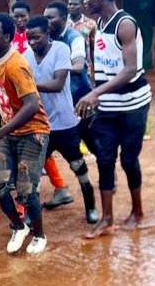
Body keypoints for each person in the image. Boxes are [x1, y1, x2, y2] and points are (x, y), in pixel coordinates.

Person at [77, 0, 152, 239]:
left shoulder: (125, 24)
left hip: (133, 103)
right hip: (108, 105)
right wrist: (96, 94)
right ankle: (107, 219)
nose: (85, 1)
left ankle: (138, 212)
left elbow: (130, 70)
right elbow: (102, 63)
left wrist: (94, 92)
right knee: (105, 159)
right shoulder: (98, 23)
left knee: (129, 159)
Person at [0, 13, 51, 254]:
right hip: (10, 132)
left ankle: (40, 235)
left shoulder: (16, 64)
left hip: (33, 131)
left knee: (26, 189)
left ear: (8, 37)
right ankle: (19, 226)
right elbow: (1, 93)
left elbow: (32, 105)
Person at [23, 16, 98, 223]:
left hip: (65, 124)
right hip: (40, 125)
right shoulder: (26, 56)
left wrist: (28, 86)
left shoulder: (61, 50)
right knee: (34, 174)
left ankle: (90, 205)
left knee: (78, 166)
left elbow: (57, 84)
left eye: (36, 37)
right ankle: (32, 213)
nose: (32, 42)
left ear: (48, 34)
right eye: (29, 38)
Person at [67, 0, 98, 78]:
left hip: (85, 66)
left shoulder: (91, 24)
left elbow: (93, 48)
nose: (72, 7)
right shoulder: (63, 22)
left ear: (82, 6)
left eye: (75, 4)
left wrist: (94, 69)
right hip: (66, 65)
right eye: (70, 4)